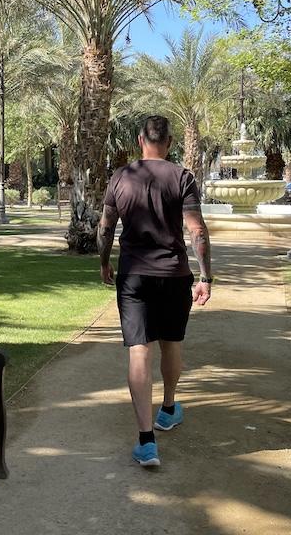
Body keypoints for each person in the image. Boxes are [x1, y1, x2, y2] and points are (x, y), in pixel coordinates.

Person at [97, 115, 212, 468]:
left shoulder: (121, 177)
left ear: (139, 139)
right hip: (174, 275)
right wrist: (206, 276)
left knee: (138, 350)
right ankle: (168, 408)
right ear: (170, 141)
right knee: (171, 344)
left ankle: (146, 442)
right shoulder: (182, 177)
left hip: (133, 276)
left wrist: (104, 262)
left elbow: (105, 227)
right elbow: (197, 231)